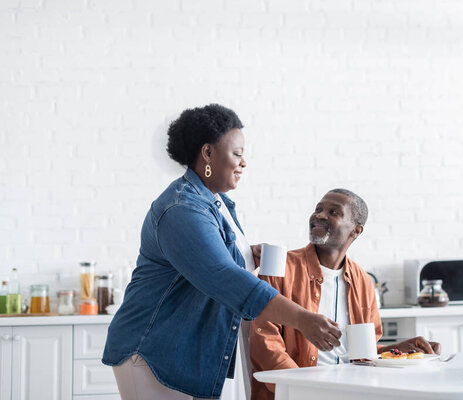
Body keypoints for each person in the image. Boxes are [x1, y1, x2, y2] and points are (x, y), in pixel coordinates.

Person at [102, 104, 341, 400]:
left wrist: (249, 255)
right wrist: (303, 319)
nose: (243, 163)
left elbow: (210, 262)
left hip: (187, 347)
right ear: (208, 154)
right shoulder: (183, 209)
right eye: (237, 154)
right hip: (154, 350)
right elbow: (223, 276)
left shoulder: (216, 202)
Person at [250, 189, 441, 400]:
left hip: (349, 390)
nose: (320, 215)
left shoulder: (363, 281)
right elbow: (265, 341)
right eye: (318, 209)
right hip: (297, 392)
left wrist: (399, 350)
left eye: (334, 212)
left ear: (356, 230)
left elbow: (360, 354)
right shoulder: (280, 267)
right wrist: (301, 391)